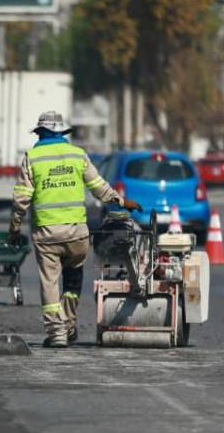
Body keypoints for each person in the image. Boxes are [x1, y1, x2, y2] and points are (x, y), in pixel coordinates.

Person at [8, 111, 139, 348]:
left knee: (50, 282)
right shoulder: (78, 155)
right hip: (78, 234)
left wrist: (14, 228)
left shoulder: (33, 157)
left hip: (47, 234)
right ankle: (69, 325)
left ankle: (57, 332)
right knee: (72, 278)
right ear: (62, 133)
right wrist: (121, 201)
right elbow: (99, 186)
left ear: (41, 133)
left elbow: (21, 199)